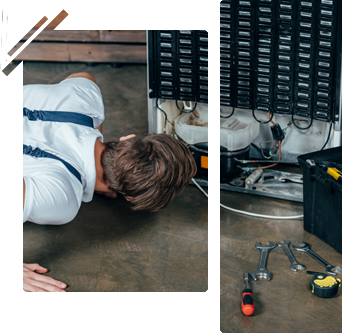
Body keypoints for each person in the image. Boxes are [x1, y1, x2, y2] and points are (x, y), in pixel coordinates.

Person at [0, 72, 196, 303]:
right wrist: (2, 273)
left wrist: (107, 163)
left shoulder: (85, 97)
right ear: (131, 197)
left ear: (127, 138)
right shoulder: (61, 197)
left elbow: (83, 76)